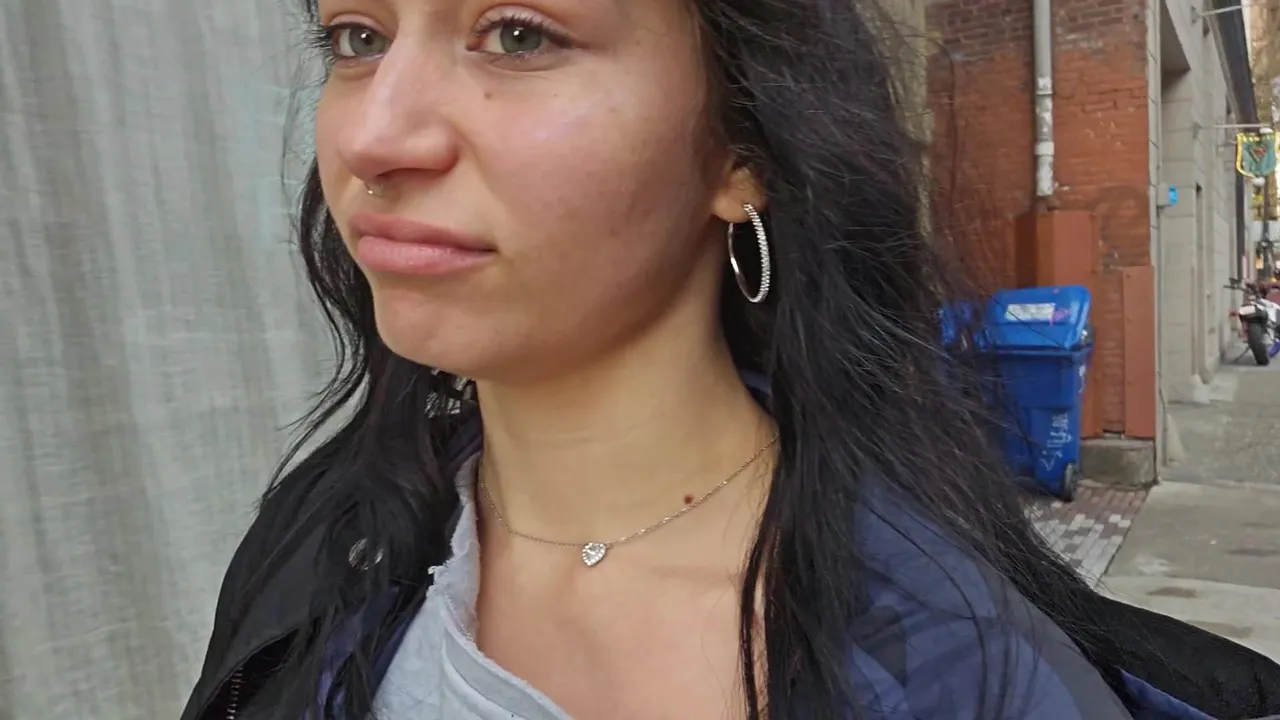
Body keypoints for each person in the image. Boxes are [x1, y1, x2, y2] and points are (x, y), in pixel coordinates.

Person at [179, 0, 1144, 718]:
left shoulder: (958, 669)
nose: (373, 138)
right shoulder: (326, 540)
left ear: (742, 149)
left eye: (518, 35)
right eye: (358, 38)